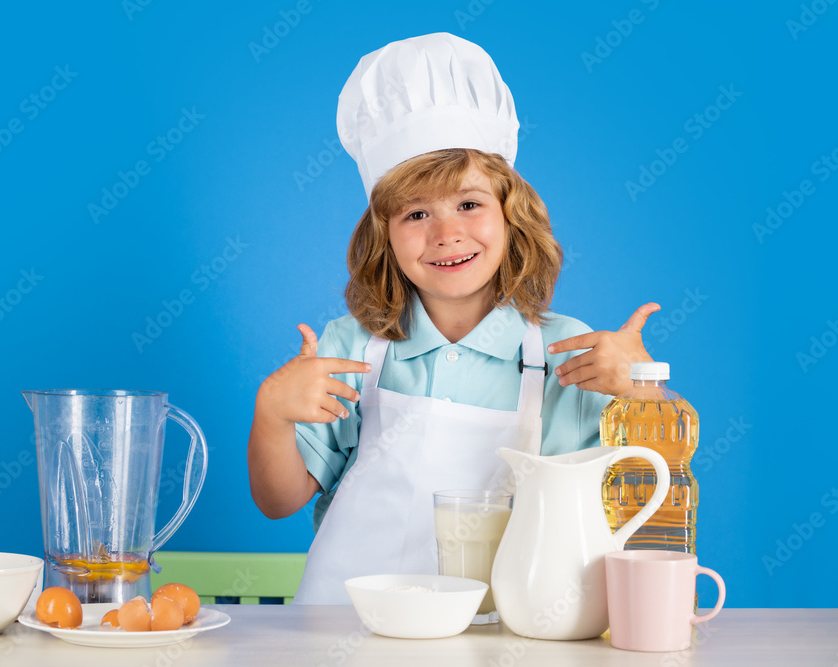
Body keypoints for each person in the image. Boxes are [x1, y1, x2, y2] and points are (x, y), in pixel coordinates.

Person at [247, 33, 658, 605]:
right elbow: (278, 501)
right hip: (344, 630)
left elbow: (647, 498)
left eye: (469, 204)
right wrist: (271, 415)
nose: (447, 234)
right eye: (416, 213)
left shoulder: (569, 354)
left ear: (512, 215)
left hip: (504, 637)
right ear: (383, 237)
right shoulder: (352, 348)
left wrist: (643, 391)